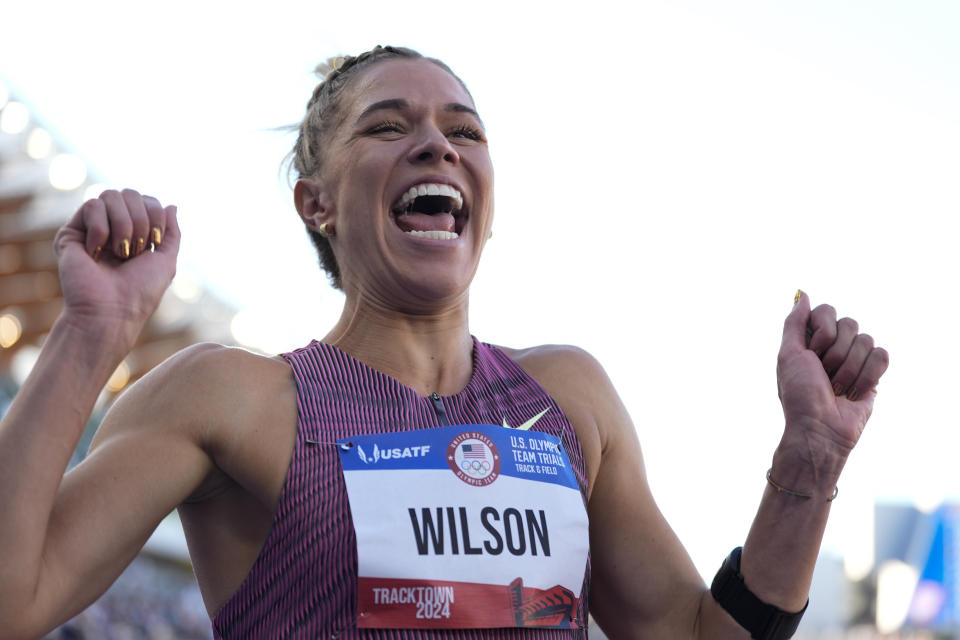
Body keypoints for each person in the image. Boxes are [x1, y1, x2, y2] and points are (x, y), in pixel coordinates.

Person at [0, 45, 888, 640]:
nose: (438, 146)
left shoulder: (567, 398)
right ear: (315, 202)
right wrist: (92, 331)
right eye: (389, 126)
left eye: (465, 132)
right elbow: (15, 599)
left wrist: (811, 463)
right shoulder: (229, 400)